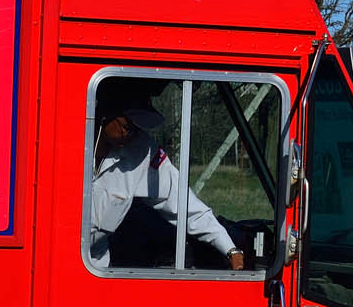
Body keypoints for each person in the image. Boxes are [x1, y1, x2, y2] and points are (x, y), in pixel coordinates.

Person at [90, 105, 245, 270]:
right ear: (106, 115)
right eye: (127, 127)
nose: (131, 135)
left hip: (95, 267)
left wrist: (230, 248)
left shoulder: (142, 151)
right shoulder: (65, 138)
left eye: (137, 129)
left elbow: (183, 204)